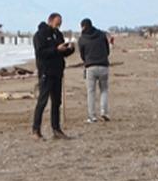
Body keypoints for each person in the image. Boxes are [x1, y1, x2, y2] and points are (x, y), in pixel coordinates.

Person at [32, 12, 75, 140]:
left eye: (60, 23)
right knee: (42, 101)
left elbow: (62, 52)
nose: (59, 25)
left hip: (57, 72)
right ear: (50, 21)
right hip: (46, 72)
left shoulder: (58, 34)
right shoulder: (40, 35)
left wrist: (70, 49)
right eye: (57, 22)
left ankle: (56, 129)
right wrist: (56, 49)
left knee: (57, 102)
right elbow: (40, 53)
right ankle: (36, 130)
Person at [77, 18, 112, 123]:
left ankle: (92, 116)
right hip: (103, 65)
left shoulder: (82, 38)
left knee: (91, 92)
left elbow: (82, 54)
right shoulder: (101, 34)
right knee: (104, 90)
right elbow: (107, 50)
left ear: (83, 26)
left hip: (90, 67)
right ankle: (104, 112)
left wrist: (87, 60)